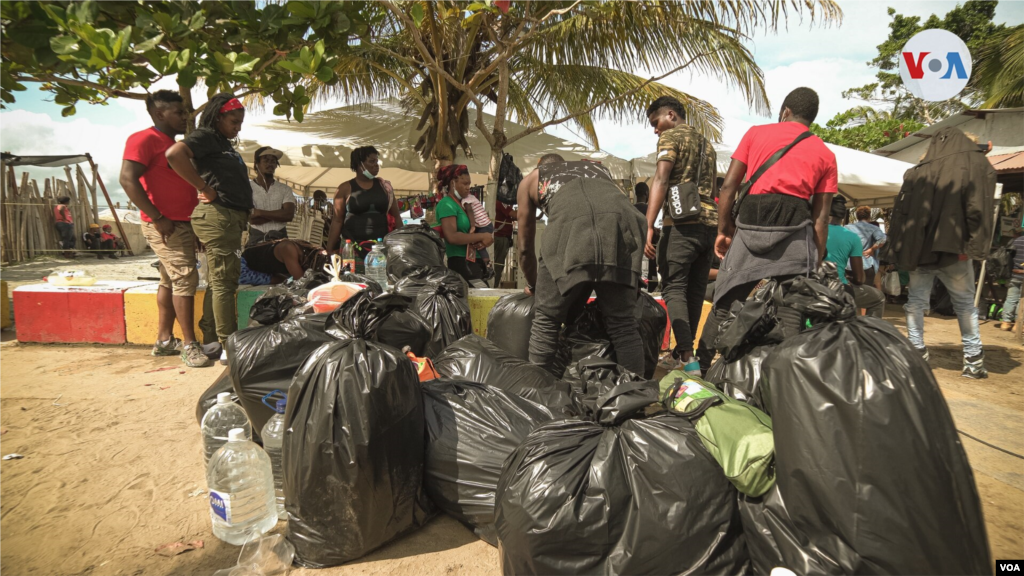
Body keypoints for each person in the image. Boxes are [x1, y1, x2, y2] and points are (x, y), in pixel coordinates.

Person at [712, 87, 837, 338]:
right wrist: (817, 258)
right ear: (811, 118)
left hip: (748, 226)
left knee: (724, 304)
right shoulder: (825, 154)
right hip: (795, 235)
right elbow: (821, 218)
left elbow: (728, 188)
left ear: (785, 111)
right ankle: (782, 372)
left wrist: (724, 230)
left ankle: (699, 368)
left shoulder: (755, 134)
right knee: (791, 313)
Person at [880, 127, 996, 378]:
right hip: (954, 251)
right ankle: (973, 361)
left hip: (920, 251)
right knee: (965, 305)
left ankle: (917, 352)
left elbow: (902, 216)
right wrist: (975, 246)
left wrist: (899, 250)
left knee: (915, 303)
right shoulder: (973, 165)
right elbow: (978, 208)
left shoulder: (918, 171)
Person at [517, 154, 648, 377]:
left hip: (570, 223)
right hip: (622, 224)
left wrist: (535, 286)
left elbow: (525, 248)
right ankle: (636, 397)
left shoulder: (531, 179)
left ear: (540, 168)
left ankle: (537, 392)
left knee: (547, 320)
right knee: (623, 324)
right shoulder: (598, 169)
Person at [120, 89, 210, 367]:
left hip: (181, 224)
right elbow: (127, 179)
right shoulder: (144, 138)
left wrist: (193, 226)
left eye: (184, 111)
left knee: (169, 280)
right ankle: (190, 345)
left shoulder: (171, 144)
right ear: (159, 114)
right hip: (165, 225)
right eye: (178, 112)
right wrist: (157, 217)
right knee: (186, 279)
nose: (185, 117)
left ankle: (164, 340)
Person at [166, 92, 250, 360]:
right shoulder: (207, 137)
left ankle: (212, 339)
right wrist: (203, 187)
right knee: (225, 282)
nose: (238, 127)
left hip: (229, 218)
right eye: (234, 122)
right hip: (219, 217)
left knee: (219, 281)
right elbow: (174, 153)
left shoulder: (221, 143)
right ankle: (230, 346)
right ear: (218, 117)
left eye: (240, 123)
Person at [645, 96, 718, 374]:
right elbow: (710, 188)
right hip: (708, 224)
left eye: (656, 122)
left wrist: (648, 224)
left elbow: (661, 179)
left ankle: (688, 359)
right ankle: (683, 353)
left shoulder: (670, 137)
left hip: (680, 224)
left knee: (674, 288)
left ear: (671, 115)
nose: (655, 130)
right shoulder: (707, 145)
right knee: (695, 291)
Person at [325, 146, 401, 269]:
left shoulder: (385, 187)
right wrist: (329, 250)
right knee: (353, 284)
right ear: (359, 164)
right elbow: (337, 220)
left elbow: (396, 216)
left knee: (380, 284)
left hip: (380, 248)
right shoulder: (344, 188)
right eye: (372, 161)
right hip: (352, 248)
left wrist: (400, 244)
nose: (376, 165)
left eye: (377, 161)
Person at [824, 196, 885, 318]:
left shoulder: (813, 230)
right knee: (879, 298)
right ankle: (869, 333)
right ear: (842, 217)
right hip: (838, 288)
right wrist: (872, 249)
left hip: (810, 285)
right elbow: (858, 279)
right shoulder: (852, 237)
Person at [434, 164, 492, 287]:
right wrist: (482, 236)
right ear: (452, 183)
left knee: (483, 299)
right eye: (464, 184)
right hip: (461, 262)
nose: (468, 188)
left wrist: (482, 240)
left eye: (469, 184)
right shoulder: (447, 204)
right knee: (483, 297)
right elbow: (452, 237)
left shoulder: (463, 203)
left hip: (473, 260)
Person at [248, 146, 295, 246]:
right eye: (266, 160)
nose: (270, 164)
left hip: (280, 239)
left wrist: (259, 212)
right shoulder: (247, 188)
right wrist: (279, 215)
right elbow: (251, 218)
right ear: (256, 164)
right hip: (256, 239)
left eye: (273, 161)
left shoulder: (285, 189)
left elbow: (289, 215)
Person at [241, 239, 329, 283]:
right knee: (280, 281)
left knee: (284, 280)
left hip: (265, 268)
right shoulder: (289, 249)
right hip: (244, 266)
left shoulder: (307, 251)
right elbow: (301, 281)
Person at [846, 205, 886, 286]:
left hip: (849, 264)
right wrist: (872, 249)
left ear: (857, 216)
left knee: (849, 290)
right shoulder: (873, 228)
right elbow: (882, 239)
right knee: (866, 292)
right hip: (866, 263)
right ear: (869, 216)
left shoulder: (847, 227)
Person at [461, 189, 495, 280]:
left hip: (484, 226)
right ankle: (488, 268)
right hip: (487, 224)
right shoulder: (473, 197)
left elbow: (470, 211)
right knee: (480, 247)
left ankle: (489, 269)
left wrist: (472, 226)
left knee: (480, 248)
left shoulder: (466, 200)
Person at [633, 182, 659, 292]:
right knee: (651, 282)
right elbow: (657, 232)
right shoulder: (652, 211)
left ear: (635, 193)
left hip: (634, 252)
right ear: (647, 193)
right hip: (650, 250)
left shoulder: (630, 209)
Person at [997, 227, 1024, 332]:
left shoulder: (1017, 241)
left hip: (1014, 274)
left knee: (1011, 299)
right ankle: (1018, 324)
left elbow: (1009, 257)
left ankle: (1005, 322)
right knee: (1022, 301)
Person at [493, 199, 517, 287]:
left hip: (502, 238)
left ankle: (494, 285)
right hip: (500, 238)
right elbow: (515, 215)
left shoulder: (502, 203)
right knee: (498, 266)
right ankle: (493, 287)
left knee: (498, 265)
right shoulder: (501, 202)